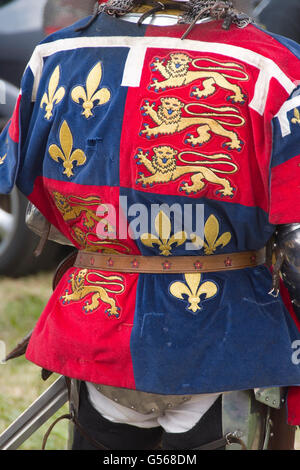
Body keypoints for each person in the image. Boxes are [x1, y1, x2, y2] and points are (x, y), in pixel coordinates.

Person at [1, 0, 300, 450]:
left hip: (96, 322)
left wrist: (117, 235)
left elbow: (37, 212)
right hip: (222, 330)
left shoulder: (53, 56)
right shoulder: (277, 65)